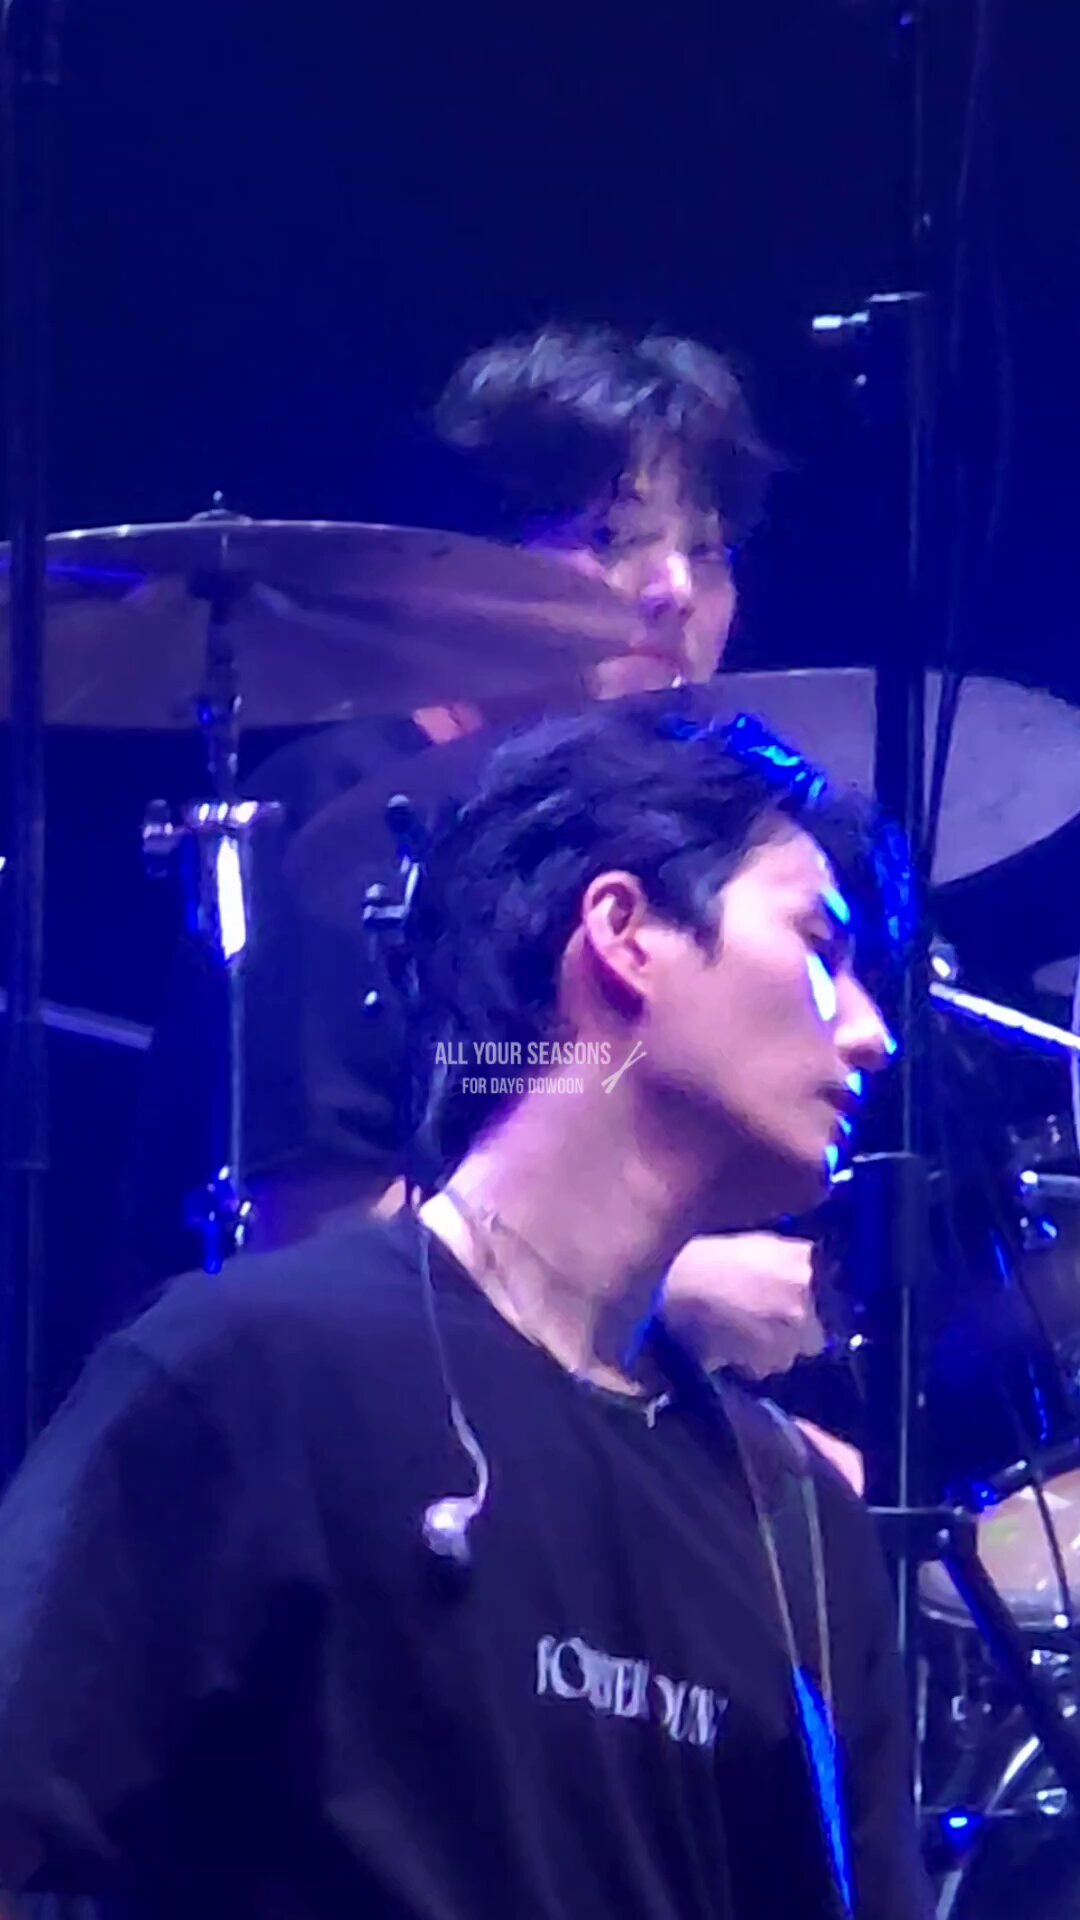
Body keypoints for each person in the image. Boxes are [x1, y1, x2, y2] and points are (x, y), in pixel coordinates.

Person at [0, 699, 927, 1918]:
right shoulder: (253, 1375)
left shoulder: (795, 1520)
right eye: (823, 948)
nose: (872, 1033)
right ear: (624, 933)